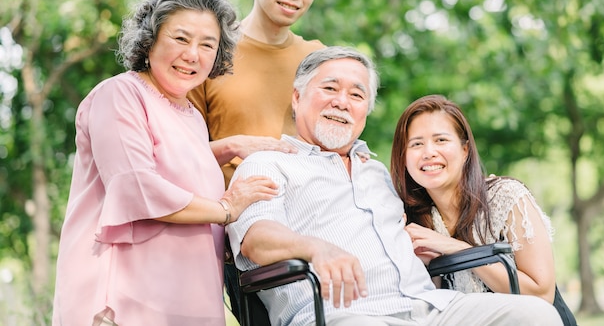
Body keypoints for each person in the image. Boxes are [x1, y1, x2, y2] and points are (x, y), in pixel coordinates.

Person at [227, 46, 563, 326]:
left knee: (536, 316)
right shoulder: (269, 163)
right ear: (298, 98)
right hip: (345, 315)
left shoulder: (377, 173)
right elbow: (256, 240)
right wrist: (317, 248)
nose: (342, 101)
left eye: (356, 94)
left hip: (429, 307)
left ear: (365, 112)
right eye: (329, 88)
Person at [51, 0, 279, 326]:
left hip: (187, 298)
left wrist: (229, 147)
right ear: (150, 39)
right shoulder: (119, 94)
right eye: (181, 38)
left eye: (208, 44)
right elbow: (138, 186)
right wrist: (227, 208)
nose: (193, 55)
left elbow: (178, 160)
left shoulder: (190, 116)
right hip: (123, 302)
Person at [187, 0, 335, 321]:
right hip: (243, 234)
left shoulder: (319, 58)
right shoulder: (210, 54)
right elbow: (183, 154)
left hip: (317, 221)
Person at [390, 94, 576, 325]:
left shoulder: (505, 197)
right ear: (404, 157)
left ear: (465, 150)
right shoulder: (411, 221)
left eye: (441, 140)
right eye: (416, 144)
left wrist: (459, 249)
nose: (428, 152)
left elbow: (541, 295)